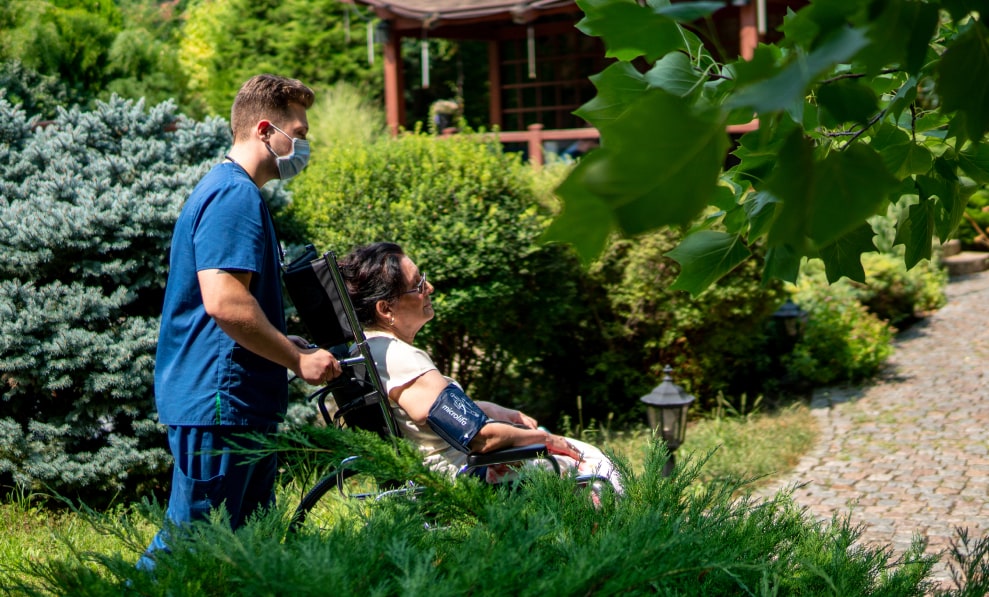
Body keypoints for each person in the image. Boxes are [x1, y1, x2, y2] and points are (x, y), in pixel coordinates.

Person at [138, 74, 342, 570]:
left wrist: (281, 340)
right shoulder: (233, 196)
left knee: (244, 551)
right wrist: (296, 360)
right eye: (300, 132)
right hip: (221, 402)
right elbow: (225, 303)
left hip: (237, 402)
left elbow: (238, 306)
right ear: (266, 130)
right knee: (194, 548)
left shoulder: (235, 192)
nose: (304, 144)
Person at [338, 242, 621, 493]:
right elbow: (481, 438)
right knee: (593, 465)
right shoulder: (398, 358)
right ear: (386, 309)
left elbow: (438, 418)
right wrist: (546, 439)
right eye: (418, 284)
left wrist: (496, 411)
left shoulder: (371, 350)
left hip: (450, 472)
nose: (430, 288)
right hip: (465, 480)